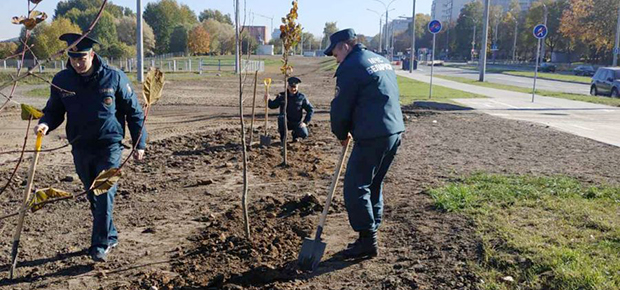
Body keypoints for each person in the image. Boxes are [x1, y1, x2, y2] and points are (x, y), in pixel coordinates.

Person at [34, 33, 147, 262]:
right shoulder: (62, 80)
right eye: (73, 58)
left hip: (110, 146)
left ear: (92, 55)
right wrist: (44, 124)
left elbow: (134, 112)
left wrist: (139, 143)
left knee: (105, 192)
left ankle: (100, 245)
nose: (77, 63)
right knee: (93, 195)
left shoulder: (113, 77)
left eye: (82, 58)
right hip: (80, 147)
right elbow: (54, 110)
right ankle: (110, 234)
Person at [324, 28, 405, 258]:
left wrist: (341, 133)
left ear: (344, 46)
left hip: (373, 135)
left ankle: (367, 241)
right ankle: (371, 232)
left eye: (335, 53)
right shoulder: (380, 60)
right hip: (394, 131)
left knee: (355, 186)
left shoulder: (351, 67)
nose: (335, 58)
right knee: (373, 183)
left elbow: (340, 109)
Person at [268, 76, 314, 142]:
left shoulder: (301, 97)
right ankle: (283, 138)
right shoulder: (282, 96)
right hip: (285, 121)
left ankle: (295, 135)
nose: (293, 89)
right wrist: (268, 100)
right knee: (281, 118)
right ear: (288, 86)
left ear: (297, 87)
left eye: (295, 87)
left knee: (304, 134)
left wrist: (305, 122)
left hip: (297, 122)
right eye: (291, 87)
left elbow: (310, 110)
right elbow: (273, 106)